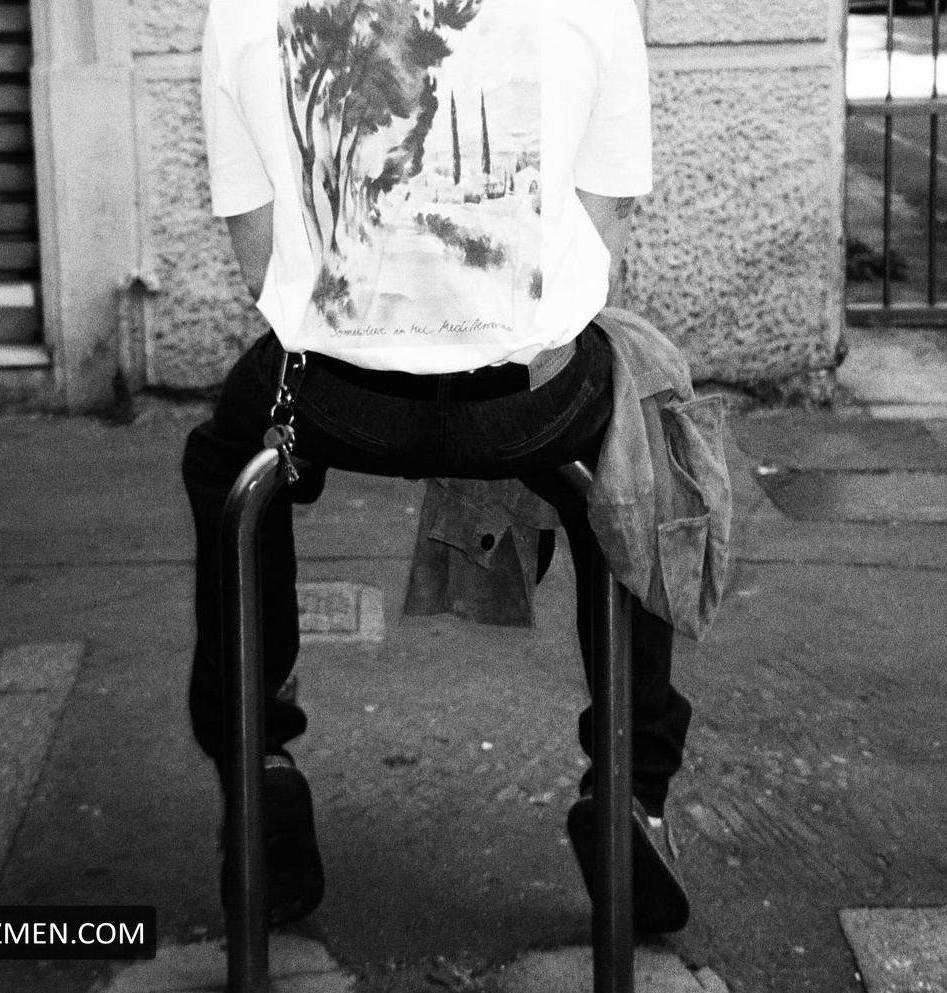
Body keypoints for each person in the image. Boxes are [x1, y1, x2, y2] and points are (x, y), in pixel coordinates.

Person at [185, 0, 693, 933]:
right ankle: (635, 786)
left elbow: (259, 263)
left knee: (230, 463)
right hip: (530, 406)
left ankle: (257, 765)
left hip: (333, 397)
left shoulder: (240, 11)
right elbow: (603, 234)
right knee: (640, 446)